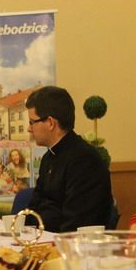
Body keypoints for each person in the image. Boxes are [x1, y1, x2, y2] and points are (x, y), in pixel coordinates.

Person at [25, 86, 112, 232]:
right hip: (44, 238)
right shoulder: (48, 157)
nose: (29, 128)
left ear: (51, 123)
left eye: (32, 122)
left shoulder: (84, 160)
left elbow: (76, 223)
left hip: (70, 242)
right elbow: (34, 208)